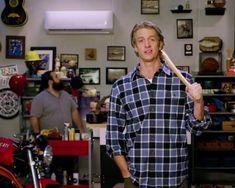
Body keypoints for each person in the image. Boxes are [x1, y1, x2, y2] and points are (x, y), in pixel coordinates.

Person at [106, 21, 212, 188]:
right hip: (137, 179)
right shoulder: (121, 87)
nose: (147, 44)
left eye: (152, 39)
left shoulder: (183, 81)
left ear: (161, 44)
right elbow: (113, 138)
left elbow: (197, 128)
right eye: (140, 40)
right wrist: (126, 174)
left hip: (176, 178)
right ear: (135, 47)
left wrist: (198, 101)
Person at [30, 70, 84, 183]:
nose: (59, 78)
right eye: (56, 77)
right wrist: (37, 136)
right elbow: (34, 117)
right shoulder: (39, 98)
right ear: (50, 82)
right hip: (50, 142)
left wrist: (81, 131)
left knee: (70, 169)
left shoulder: (66, 95)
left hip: (68, 140)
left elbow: (74, 112)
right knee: (52, 171)